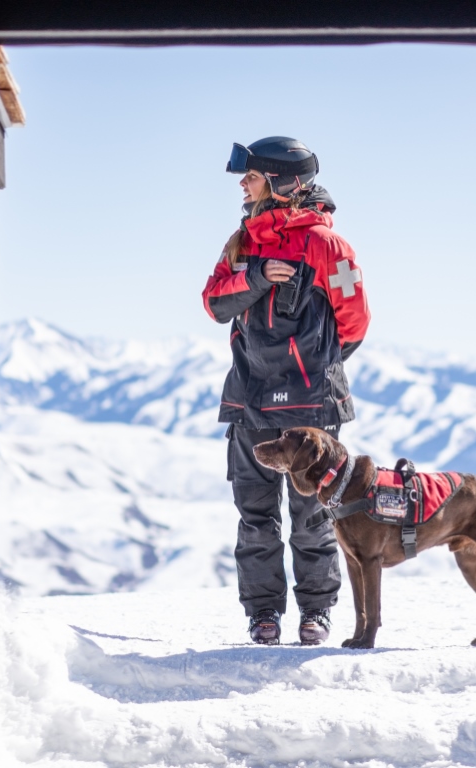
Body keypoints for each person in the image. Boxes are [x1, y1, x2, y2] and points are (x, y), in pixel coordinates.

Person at [201, 137, 370, 645]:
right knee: (255, 519)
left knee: (313, 515)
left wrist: (313, 369)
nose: (242, 184)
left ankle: (316, 614)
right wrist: (255, 277)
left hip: (313, 407)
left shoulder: (326, 244)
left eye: (250, 176)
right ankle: (263, 616)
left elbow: (355, 321)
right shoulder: (242, 244)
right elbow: (213, 303)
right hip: (248, 400)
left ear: (280, 184)